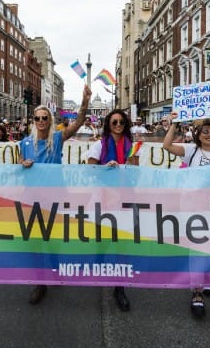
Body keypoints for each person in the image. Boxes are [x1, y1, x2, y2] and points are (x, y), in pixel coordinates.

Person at [20, 84, 91, 305]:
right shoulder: (24, 143)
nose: (41, 121)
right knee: (34, 241)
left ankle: (55, 266)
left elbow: (78, 123)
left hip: (53, 198)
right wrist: (23, 163)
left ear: (50, 120)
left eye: (45, 118)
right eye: (37, 118)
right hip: (31, 198)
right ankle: (40, 282)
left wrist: (85, 101)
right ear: (33, 121)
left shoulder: (58, 138)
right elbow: (19, 165)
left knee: (50, 238)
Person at [163, 114, 210, 318]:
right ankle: (196, 292)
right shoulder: (191, 150)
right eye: (205, 132)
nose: (209, 135)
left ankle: (206, 277)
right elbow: (167, 146)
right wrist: (175, 124)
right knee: (197, 248)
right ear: (198, 135)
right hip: (193, 207)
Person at [86, 109, 139, 312]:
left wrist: (131, 167)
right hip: (104, 198)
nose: (118, 125)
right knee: (104, 237)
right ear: (108, 124)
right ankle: (98, 263)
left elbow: (136, 172)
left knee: (122, 242)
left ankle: (120, 288)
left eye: (121, 122)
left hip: (124, 198)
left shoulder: (131, 146)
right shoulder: (100, 145)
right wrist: (105, 168)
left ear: (126, 125)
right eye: (114, 122)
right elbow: (90, 169)